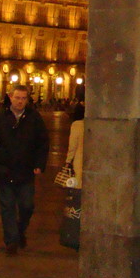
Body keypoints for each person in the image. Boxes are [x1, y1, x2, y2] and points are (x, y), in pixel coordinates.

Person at [0, 84, 50, 255]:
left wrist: (40, 164)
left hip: (26, 170)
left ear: (27, 100)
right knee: (7, 206)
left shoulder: (34, 118)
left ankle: (20, 230)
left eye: (23, 98)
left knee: (27, 205)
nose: (20, 101)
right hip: (4, 169)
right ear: (10, 97)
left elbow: (43, 143)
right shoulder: (0, 118)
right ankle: (11, 241)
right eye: (17, 98)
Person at [60, 103, 85, 250]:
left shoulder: (77, 125)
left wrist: (67, 162)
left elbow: (72, 146)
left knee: (77, 197)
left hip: (79, 165)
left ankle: (76, 230)